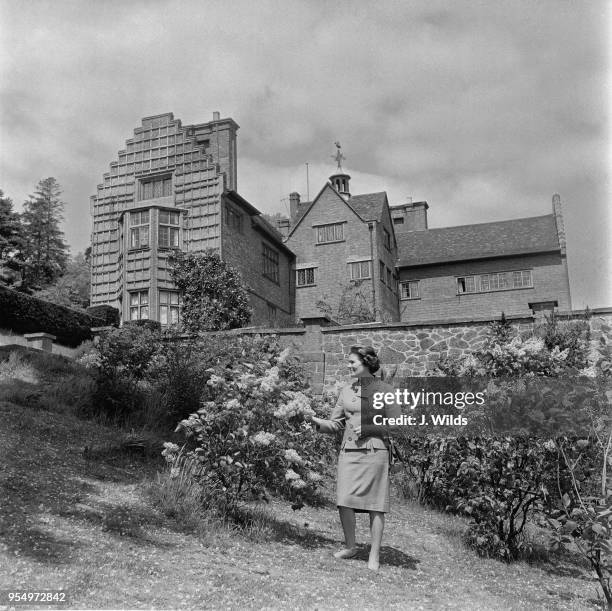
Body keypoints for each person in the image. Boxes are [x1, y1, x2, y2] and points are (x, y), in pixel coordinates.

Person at [308, 345, 401, 571]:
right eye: (348, 362)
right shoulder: (346, 390)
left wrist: (369, 427)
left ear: (367, 362)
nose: (348, 366)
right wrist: (314, 421)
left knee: (376, 505)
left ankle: (374, 555)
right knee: (344, 500)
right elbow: (336, 423)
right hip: (348, 453)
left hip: (375, 452)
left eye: (352, 362)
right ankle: (351, 546)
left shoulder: (385, 390)